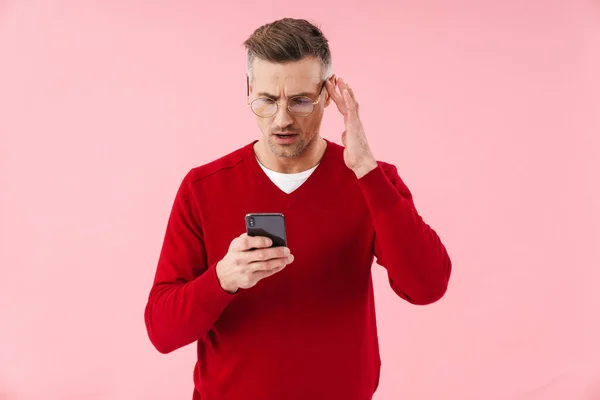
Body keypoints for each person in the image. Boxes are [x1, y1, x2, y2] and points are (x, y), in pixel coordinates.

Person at [144, 17, 452, 400]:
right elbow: (162, 331)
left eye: (300, 100)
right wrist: (222, 278)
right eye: (267, 100)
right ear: (248, 91)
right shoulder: (202, 187)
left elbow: (427, 286)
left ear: (328, 94)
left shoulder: (371, 181)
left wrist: (367, 172)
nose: (283, 118)